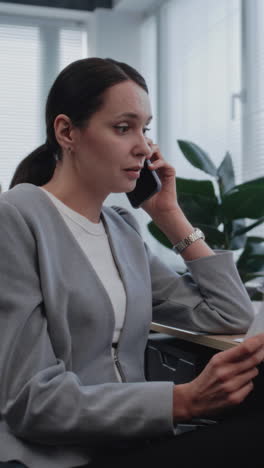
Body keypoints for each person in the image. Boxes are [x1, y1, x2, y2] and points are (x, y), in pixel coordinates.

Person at [0, 57, 263, 468]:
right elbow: (30, 400)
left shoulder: (121, 229)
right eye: (123, 128)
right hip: (61, 457)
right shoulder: (17, 218)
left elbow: (228, 313)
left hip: (133, 441)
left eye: (145, 128)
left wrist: (169, 216)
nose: (143, 146)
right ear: (67, 131)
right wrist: (181, 402)